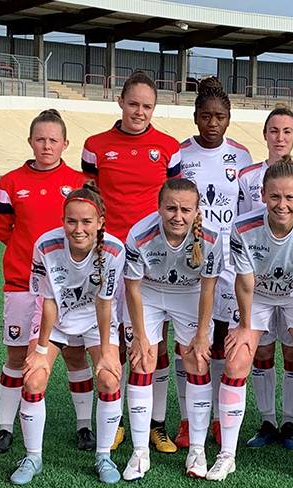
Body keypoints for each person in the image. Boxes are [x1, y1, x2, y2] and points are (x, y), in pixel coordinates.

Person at [207, 156, 293, 484]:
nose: (282, 204)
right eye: (274, 196)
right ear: (262, 195)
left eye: (290, 197)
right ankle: (227, 456)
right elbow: (245, 281)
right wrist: (245, 327)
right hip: (258, 295)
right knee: (236, 361)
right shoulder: (242, 228)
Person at [82, 71, 182, 453]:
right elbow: (90, 199)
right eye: (134, 104)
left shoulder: (168, 148)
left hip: (154, 255)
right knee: (115, 340)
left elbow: (174, 200)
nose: (140, 112)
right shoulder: (96, 146)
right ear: (120, 101)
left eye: (147, 106)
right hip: (109, 254)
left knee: (154, 341)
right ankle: (118, 418)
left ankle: (157, 424)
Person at [0, 109, 91, 454]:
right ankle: (5, 428)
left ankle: (84, 426)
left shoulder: (79, 183)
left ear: (65, 143)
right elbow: (3, 231)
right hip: (21, 282)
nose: (46, 146)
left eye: (53, 140)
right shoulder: (10, 183)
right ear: (30, 141)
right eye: (40, 139)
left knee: (76, 356)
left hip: (71, 288)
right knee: (17, 357)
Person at [9, 184, 125, 485]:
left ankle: (103, 456)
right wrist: (40, 349)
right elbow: (47, 301)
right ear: (63, 221)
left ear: (100, 221)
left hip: (97, 320)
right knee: (34, 377)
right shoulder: (45, 245)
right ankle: (33, 457)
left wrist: (106, 351)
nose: (78, 228)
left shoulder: (114, 250)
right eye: (71, 221)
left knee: (110, 377)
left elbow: (104, 302)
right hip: (56, 317)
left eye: (86, 221)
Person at [122, 178, 223, 480]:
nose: (177, 216)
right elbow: (133, 288)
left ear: (196, 211)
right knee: (143, 360)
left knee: (197, 359)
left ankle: (197, 449)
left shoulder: (211, 237)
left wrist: (203, 334)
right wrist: (139, 337)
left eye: (185, 210)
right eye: (171, 208)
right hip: (150, 293)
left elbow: (208, 289)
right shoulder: (139, 234)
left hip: (189, 294)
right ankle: (139, 452)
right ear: (159, 208)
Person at [175, 77, 253, 450]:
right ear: (195, 117)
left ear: (229, 118)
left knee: (222, 340)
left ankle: (220, 420)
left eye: (219, 116)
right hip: (190, 257)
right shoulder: (180, 155)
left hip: (230, 262)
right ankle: (189, 420)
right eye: (205, 116)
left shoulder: (241, 157)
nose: (212, 123)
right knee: (189, 342)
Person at [236, 104, 293, 451]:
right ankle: (267, 420)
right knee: (262, 351)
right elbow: (245, 232)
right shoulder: (248, 176)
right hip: (259, 281)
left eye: (287, 131)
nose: (280, 137)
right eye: (274, 130)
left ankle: (289, 422)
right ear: (265, 134)